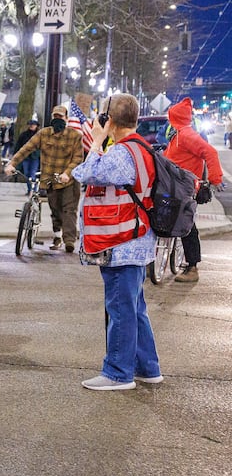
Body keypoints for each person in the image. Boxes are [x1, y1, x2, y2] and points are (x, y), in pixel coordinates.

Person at [72, 93, 162, 390]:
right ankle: (147, 367)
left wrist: (96, 141)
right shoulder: (141, 149)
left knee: (121, 308)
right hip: (133, 239)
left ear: (109, 119)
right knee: (133, 307)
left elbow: (84, 173)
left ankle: (118, 373)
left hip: (121, 242)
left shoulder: (122, 153)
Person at [5, 105, 84, 252]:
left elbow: (78, 158)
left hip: (69, 181)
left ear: (66, 118)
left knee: (69, 211)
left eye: (60, 117)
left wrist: (67, 173)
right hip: (49, 180)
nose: (57, 119)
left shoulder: (75, 136)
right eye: (55, 116)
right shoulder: (43, 134)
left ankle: (69, 241)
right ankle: (58, 236)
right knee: (55, 211)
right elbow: (26, 148)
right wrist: (12, 163)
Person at [163, 98, 224, 283]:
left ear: (175, 117)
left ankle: (192, 267)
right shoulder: (180, 134)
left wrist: (215, 179)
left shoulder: (186, 135)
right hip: (176, 185)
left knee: (186, 224)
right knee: (176, 221)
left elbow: (210, 153)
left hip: (185, 187)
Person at [13, 120, 41, 193]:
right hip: (26, 157)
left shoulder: (39, 135)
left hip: (35, 157)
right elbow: (18, 145)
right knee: (26, 173)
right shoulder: (23, 135)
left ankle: (33, 190)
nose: (32, 126)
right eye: (30, 124)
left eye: (33, 124)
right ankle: (29, 189)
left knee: (33, 173)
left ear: (36, 126)